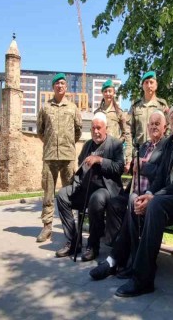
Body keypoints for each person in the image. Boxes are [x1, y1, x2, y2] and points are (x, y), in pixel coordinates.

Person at [102, 104, 173, 297]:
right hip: (169, 197)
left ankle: (143, 279)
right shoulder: (170, 143)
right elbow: (160, 176)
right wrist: (149, 193)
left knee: (155, 204)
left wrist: (153, 197)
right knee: (137, 203)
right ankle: (136, 266)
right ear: (170, 121)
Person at [89, 110, 169, 280]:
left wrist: (142, 166)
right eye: (151, 124)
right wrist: (134, 163)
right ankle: (121, 255)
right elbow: (135, 168)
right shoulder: (145, 145)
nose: (153, 126)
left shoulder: (166, 146)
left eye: (157, 124)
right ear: (147, 127)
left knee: (132, 204)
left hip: (152, 196)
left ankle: (121, 261)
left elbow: (163, 174)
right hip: (134, 191)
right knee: (115, 203)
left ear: (164, 127)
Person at [55, 112, 125, 261]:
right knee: (62, 195)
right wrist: (76, 183)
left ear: (106, 128)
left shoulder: (115, 144)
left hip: (106, 191)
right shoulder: (87, 145)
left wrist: (100, 160)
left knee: (96, 198)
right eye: (93, 128)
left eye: (99, 128)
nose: (96, 131)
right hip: (85, 189)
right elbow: (81, 167)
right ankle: (74, 241)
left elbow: (119, 168)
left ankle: (93, 246)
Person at [36, 73, 82, 243]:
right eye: (57, 83)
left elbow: (77, 131)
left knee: (69, 193)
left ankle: (69, 227)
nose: (60, 86)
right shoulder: (45, 108)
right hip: (49, 157)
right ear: (53, 87)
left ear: (66, 87)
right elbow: (40, 131)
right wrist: (50, 144)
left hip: (68, 157)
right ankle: (47, 226)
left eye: (63, 83)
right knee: (48, 192)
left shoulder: (73, 108)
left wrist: (67, 144)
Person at [130, 72, 169, 165]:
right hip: (139, 152)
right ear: (142, 86)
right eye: (146, 82)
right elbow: (129, 131)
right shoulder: (135, 106)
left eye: (151, 82)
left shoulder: (162, 105)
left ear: (156, 85)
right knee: (138, 179)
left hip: (158, 152)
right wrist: (130, 155)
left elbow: (168, 129)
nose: (149, 85)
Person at [95, 79, 132, 172]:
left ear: (114, 92)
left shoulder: (119, 112)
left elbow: (126, 134)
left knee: (114, 181)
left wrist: (128, 159)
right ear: (102, 93)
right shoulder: (97, 112)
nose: (108, 94)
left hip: (114, 153)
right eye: (105, 91)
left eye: (110, 91)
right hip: (99, 151)